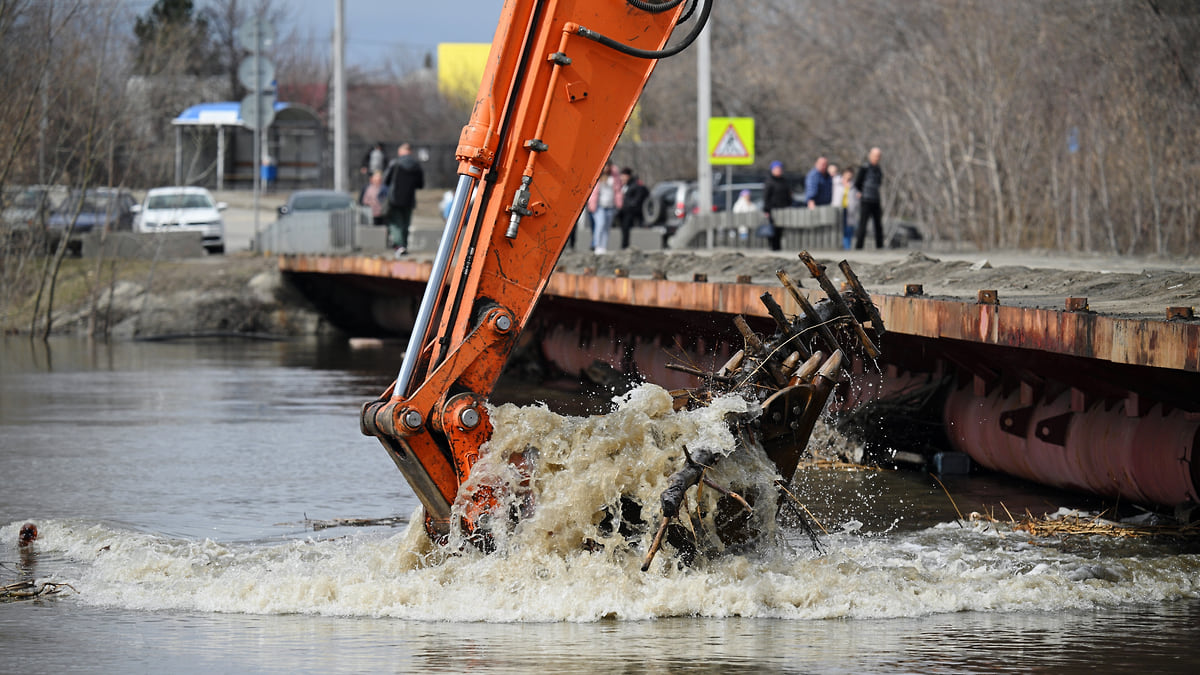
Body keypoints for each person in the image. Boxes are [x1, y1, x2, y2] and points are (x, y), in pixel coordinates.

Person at [383, 142, 425, 257]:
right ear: (410, 152)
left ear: (400, 152)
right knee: (406, 223)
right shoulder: (416, 166)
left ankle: (399, 245)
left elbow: (386, 180)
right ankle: (404, 246)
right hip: (409, 199)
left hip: (395, 198)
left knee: (396, 223)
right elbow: (420, 184)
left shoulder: (395, 163)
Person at [587, 161, 622, 254]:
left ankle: (604, 246)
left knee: (607, 227)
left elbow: (618, 190)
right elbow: (593, 192)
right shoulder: (598, 177)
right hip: (599, 206)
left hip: (610, 205)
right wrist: (592, 204)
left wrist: (619, 203)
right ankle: (597, 245)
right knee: (600, 225)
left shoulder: (614, 177)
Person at [853, 146, 884, 249]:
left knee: (878, 225)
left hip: (875, 199)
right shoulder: (864, 168)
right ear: (870, 155)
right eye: (875, 156)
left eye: (878, 156)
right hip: (866, 199)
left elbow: (879, 182)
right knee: (863, 224)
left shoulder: (878, 169)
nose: (877, 158)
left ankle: (880, 246)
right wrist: (861, 192)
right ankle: (859, 247)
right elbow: (857, 182)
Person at [762, 160, 792, 251]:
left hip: (783, 209)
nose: (778, 170)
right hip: (773, 209)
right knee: (773, 229)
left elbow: (788, 194)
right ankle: (773, 247)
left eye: (780, 169)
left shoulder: (784, 181)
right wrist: (766, 210)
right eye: (776, 169)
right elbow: (766, 197)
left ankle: (778, 247)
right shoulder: (769, 182)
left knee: (780, 229)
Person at [617, 167, 649, 249]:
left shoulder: (636, 185)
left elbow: (637, 199)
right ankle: (624, 244)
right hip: (624, 211)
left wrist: (629, 204)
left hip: (632, 211)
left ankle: (625, 245)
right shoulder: (623, 185)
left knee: (627, 227)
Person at [837, 168, 859, 249]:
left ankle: (847, 247)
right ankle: (839, 246)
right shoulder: (837, 183)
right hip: (839, 208)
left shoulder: (853, 185)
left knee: (848, 229)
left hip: (850, 209)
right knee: (839, 228)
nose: (849, 175)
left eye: (851, 174)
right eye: (847, 173)